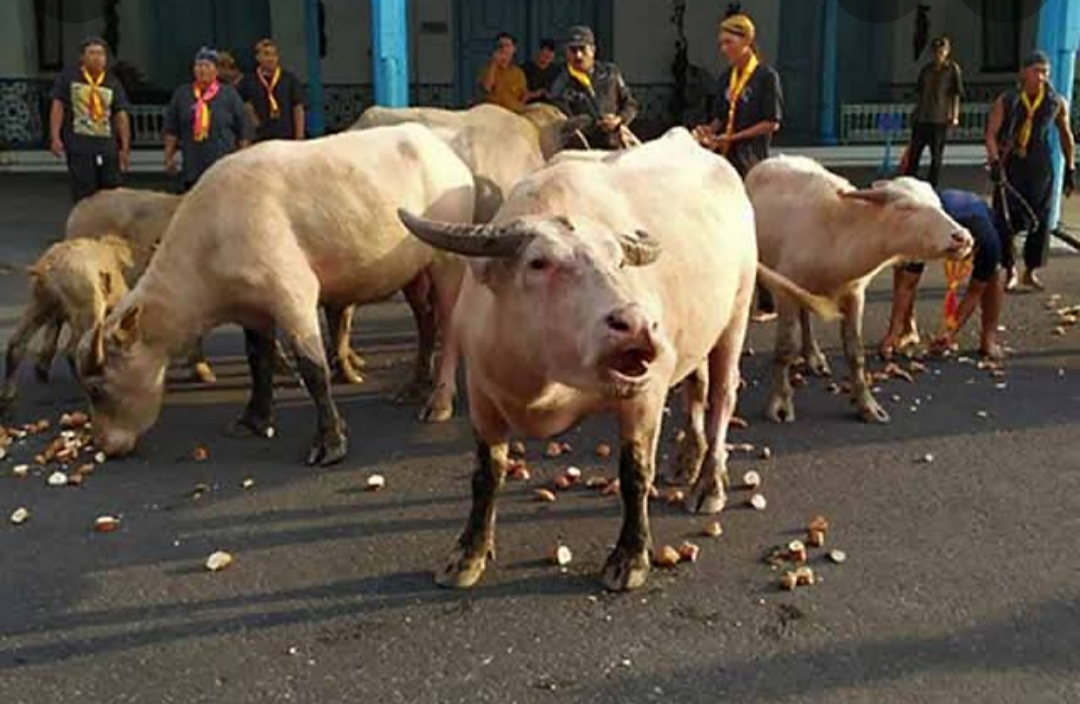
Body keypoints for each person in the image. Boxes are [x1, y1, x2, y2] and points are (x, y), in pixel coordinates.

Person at [692, 12, 783, 322]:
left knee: (753, 233)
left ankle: (768, 300)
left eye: (729, 42)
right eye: (721, 43)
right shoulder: (725, 78)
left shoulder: (765, 77)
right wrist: (707, 130)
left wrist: (733, 136)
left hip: (751, 164)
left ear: (747, 42)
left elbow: (772, 122)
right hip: (725, 161)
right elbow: (719, 116)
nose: (723, 48)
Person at [986, 50, 1076, 291]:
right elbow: (991, 135)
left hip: (1040, 165)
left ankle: (1031, 271)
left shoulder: (1056, 102)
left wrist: (1070, 168)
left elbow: (1066, 136)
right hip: (1012, 164)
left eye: (1045, 71)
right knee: (1006, 219)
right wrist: (994, 162)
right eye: (1037, 70)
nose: (1042, 76)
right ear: (1024, 72)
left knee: (1041, 219)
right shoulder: (1008, 100)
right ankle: (1009, 270)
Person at [882, 190, 1006, 360]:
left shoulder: (988, 244)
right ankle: (904, 329)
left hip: (980, 215)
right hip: (940, 210)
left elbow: (974, 292)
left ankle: (988, 338)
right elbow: (907, 285)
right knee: (903, 265)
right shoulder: (926, 232)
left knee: (993, 273)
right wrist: (892, 333)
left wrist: (950, 331)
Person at [49, 36, 132, 203]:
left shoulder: (112, 82)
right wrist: (55, 137)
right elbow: (58, 106)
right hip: (80, 146)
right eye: (92, 53)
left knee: (111, 193)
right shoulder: (69, 77)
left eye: (101, 54)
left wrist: (125, 147)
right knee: (84, 195)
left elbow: (120, 115)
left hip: (107, 148)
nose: (97, 57)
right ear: (82, 57)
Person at [163, 47, 251, 193]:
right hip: (192, 168)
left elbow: (243, 131)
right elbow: (171, 129)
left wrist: (243, 164)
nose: (202, 70)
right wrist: (168, 157)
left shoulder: (229, 94)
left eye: (207, 66)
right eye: (198, 65)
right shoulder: (182, 94)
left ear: (216, 71)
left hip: (223, 169)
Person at [550, 26, 639, 150]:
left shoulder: (610, 73)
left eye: (582, 49)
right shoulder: (560, 84)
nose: (578, 55)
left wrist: (619, 120)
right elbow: (562, 124)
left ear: (593, 50)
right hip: (583, 153)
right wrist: (595, 123)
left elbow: (631, 104)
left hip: (616, 148)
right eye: (573, 50)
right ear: (566, 53)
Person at [904, 36, 964, 188]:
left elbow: (955, 94)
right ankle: (909, 184)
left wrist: (955, 115)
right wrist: (915, 112)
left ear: (947, 52)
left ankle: (932, 186)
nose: (938, 54)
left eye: (941, 51)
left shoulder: (952, 70)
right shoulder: (926, 70)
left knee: (936, 158)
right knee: (914, 155)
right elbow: (920, 92)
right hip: (922, 117)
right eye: (936, 51)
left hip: (939, 118)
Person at [240, 38, 306, 142]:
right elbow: (244, 106)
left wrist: (300, 136)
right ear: (258, 57)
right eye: (266, 54)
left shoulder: (289, 79)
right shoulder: (248, 81)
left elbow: (298, 107)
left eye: (274, 55)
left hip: (286, 138)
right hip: (260, 138)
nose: (271, 58)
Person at [478, 32, 527, 112]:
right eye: (500, 46)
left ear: (514, 49)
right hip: (493, 113)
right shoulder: (488, 68)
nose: (504, 49)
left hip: (512, 113)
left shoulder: (519, 73)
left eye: (507, 45)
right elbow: (486, 89)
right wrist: (494, 63)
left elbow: (523, 96)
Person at [523, 38, 559, 104]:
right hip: (530, 107)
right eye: (546, 51)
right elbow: (521, 94)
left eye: (551, 51)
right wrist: (536, 93)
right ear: (539, 51)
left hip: (551, 108)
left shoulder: (556, 71)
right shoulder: (526, 69)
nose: (549, 54)